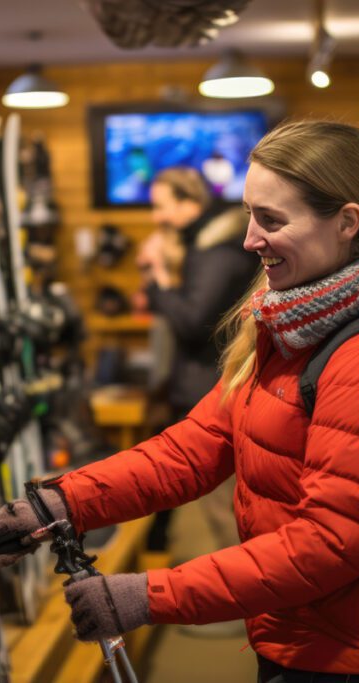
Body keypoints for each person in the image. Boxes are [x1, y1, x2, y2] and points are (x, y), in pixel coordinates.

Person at [0, 120, 359, 682]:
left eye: (272, 219)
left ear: (347, 222)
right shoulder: (297, 324)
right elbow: (197, 446)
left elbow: (332, 542)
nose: (250, 239)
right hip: (298, 634)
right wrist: (60, 504)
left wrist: (148, 594)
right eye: (250, 212)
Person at [135, 167, 256, 557]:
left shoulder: (217, 250)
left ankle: (250, 601)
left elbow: (192, 322)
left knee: (224, 505)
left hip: (213, 389)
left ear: (190, 203)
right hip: (211, 384)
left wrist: (157, 278)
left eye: (161, 206)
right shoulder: (208, 244)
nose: (157, 217)